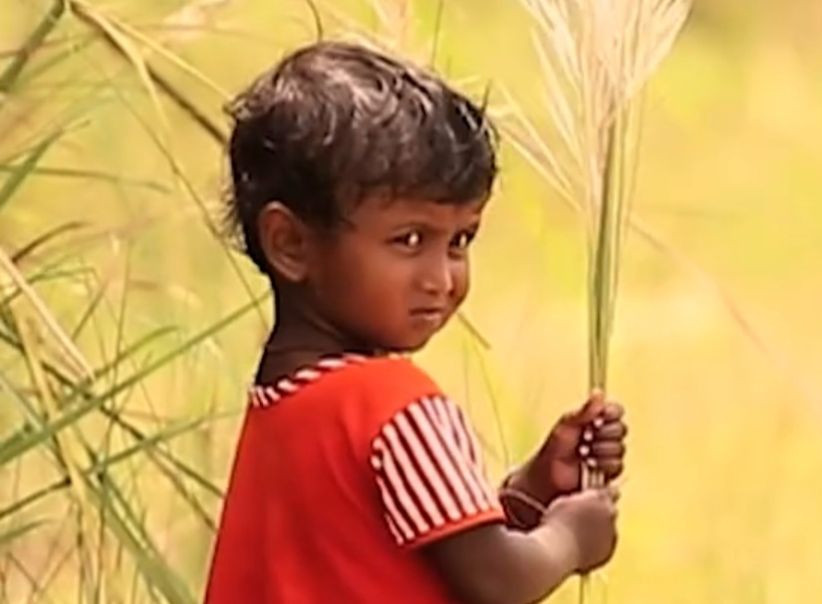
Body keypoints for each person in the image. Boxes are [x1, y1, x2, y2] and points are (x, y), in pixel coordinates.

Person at [204, 40, 627, 604]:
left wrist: (536, 488)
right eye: (409, 240)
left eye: (460, 240)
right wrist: (570, 539)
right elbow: (496, 581)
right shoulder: (393, 405)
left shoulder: (284, 405)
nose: (442, 277)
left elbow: (423, 556)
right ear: (291, 244)